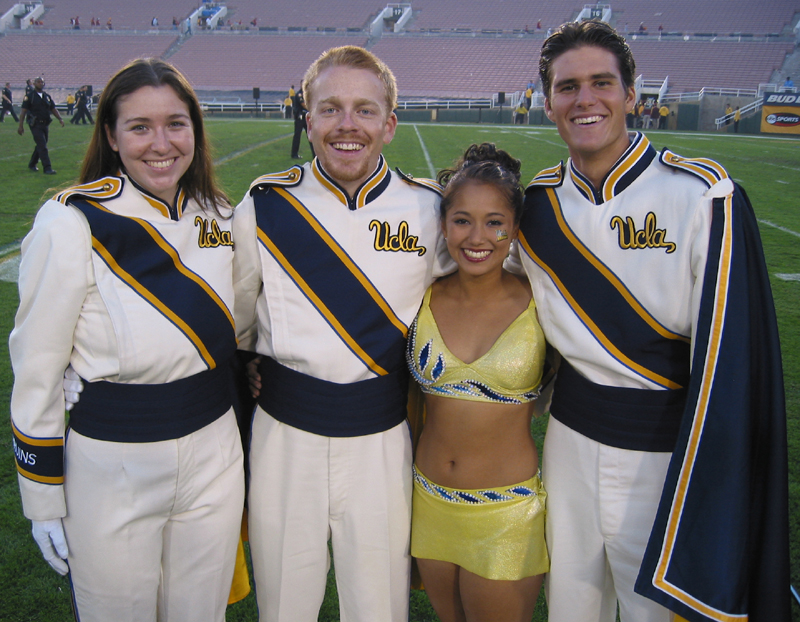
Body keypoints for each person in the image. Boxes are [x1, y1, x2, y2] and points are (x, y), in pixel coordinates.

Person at [514, 20, 789, 622]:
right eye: (567, 87)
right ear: (546, 101)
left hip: (668, 455)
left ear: (633, 94)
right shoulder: (532, 206)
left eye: (601, 83)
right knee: (572, 605)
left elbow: (731, 360)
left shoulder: (703, 195)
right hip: (567, 444)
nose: (585, 100)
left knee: (654, 610)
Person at [9, 57, 245, 622]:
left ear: (195, 130)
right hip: (112, 464)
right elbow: (38, 368)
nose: (160, 143)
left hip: (216, 452)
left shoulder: (222, 215)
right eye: (139, 127)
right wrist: (42, 497)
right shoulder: (70, 221)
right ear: (111, 136)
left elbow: (248, 323)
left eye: (176, 123)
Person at [232, 45, 452, 622]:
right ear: (307, 120)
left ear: (390, 123)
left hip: (381, 438)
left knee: (379, 604)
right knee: (284, 604)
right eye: (329, 109)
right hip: (283, 437)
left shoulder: (429, 210)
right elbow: (236, 321)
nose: (346, 125)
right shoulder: (265, 202)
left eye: (364, 110)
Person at [407, 143, 549, 622]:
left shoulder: (544, 303)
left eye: (495, 222)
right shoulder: (418, 296)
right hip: (430, 500)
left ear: (514, 229)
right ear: (443, 225)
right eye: (462, 219)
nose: (477, 237)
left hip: (504, 513)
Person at [18, 76, 63, 175]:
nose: (40, 84)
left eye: (42, 82)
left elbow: (53, 108)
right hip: (35, 124)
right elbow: (23, 111)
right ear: (34, 84)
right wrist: (20, 126)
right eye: (38, 82)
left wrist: (60, 118)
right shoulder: (30, 96)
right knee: (42, 145)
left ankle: (32, 164)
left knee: (41, 144)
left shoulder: (46, 96)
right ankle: (47, 168)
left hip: (45, 124)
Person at [289, 87, 311, 158]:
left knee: (311, 135)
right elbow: (304, 105)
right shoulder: (299, 94)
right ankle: (294, 154)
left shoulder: (307, 93)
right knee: (297, 136)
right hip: (300, 117)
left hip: (306, 117)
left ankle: (316, 155)